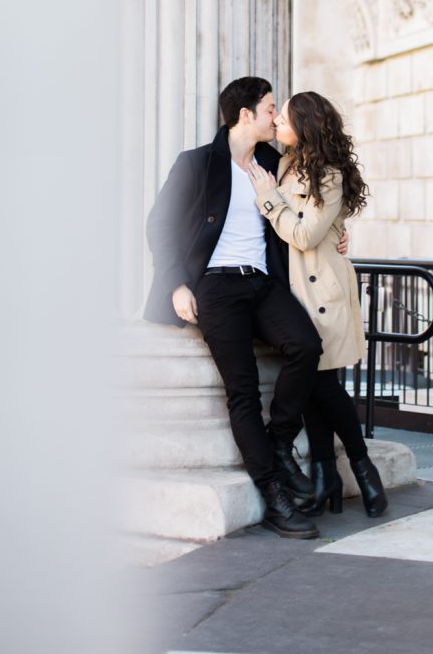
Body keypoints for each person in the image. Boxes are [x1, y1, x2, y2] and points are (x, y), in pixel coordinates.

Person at [145, 77, 335, 539]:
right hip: (214, 287)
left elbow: (310, 208)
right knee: (243, 389)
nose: (276, 117)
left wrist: (338, 233)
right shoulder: (197, 163)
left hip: (264, 285)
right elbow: (160, 224)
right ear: (245, 115)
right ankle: (274, 495)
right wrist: (175, 286)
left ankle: (279, 442)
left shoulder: (274, 162)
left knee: (307, 346)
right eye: (271, 108)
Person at [248, 90, 388, 518]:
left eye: (284, 120)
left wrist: (269, 200)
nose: (276, 126)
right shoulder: (288, 164)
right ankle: (327, 475)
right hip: (295, 291)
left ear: (304, 126)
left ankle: (363, 468)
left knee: (324, 385)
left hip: (322, 290)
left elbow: (307, 235)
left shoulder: (327, 174)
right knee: (312, 384)